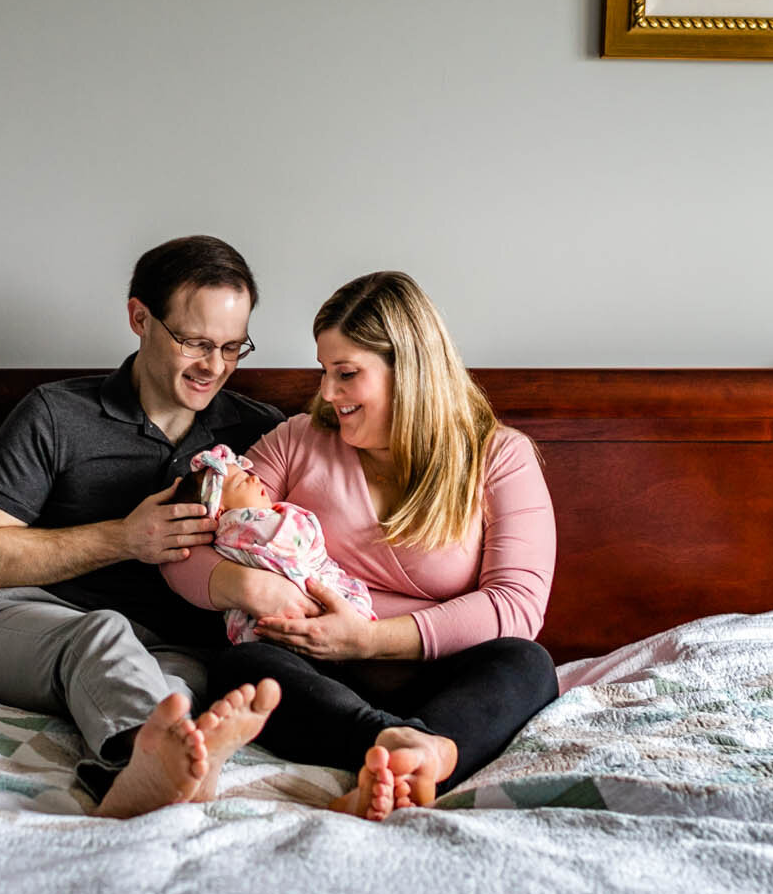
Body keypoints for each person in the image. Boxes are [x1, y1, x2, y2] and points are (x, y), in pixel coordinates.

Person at [163, 272, 559, 822]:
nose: (327, 393)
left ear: (411, 372)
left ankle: (426, 745)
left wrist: (368, 640)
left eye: (346, 374)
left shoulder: (497, 457)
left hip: (442, 674)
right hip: (319, 676)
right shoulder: (298, 439)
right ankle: (406, 751)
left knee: (527, 664)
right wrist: (245, 584)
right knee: (245, 666)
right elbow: (187, 541)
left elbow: (516, 605)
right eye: (325, 372)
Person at [0, 235, 287, 818]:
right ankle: (156, 766)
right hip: (30, 625)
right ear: (140, 318)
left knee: (178, 697)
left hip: (178, 650)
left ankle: (158, 776)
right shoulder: (55, 413)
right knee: (104, 633)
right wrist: (124, 538)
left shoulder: (263, 432)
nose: (216, 367)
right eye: (196, 342)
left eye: (234, 348)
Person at [174, 445, 377, 647]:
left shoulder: (228, 538)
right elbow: (297, 538)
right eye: (241, 482)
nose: (254, 478)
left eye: (248, 474)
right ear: (220, 512)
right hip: (297, 609)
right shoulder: (247, 525)